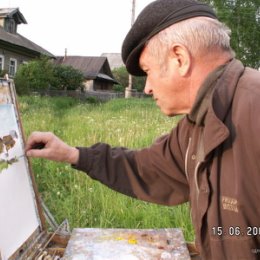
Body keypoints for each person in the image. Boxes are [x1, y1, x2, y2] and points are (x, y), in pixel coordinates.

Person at [26, 0, 260, 259]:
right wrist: (73, 155)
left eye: (148, 71)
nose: (147, 88)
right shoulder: (197, 124)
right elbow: (148, 168)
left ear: (179, 59)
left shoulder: (254, 111)